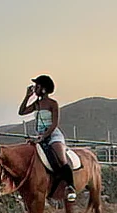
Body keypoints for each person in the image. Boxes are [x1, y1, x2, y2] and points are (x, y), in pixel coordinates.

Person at [18, 74, 75, 202]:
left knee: (61, 159)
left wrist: (44, 137)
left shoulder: (53, 104)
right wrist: (27, 96)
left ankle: (70, 186)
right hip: (40, 135)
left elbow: (54, 124)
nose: (35, 88)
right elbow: (21, 112)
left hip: (53, 134)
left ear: (43, 89)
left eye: (37, 86)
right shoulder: (37, 104)